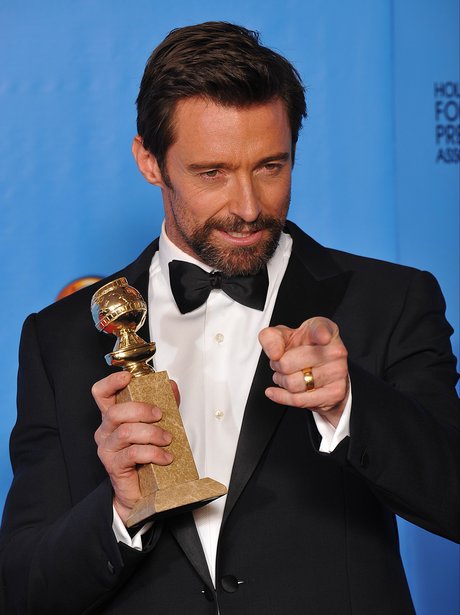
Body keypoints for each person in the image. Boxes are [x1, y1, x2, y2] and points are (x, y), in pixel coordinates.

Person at [0, 21, 459, 615]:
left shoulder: (391, 300)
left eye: (270, 166)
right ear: (149, 161)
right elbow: (23, 589)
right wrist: (120, 511)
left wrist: (351, 406)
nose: (247, 207)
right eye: (212, 172)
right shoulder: (59, 338)